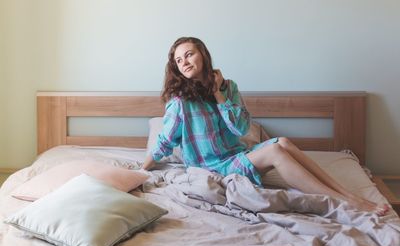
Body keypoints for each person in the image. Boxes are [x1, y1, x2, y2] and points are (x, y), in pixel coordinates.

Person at [142, 36, 389, 216]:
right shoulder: (180, 103)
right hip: (213, 168)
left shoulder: (229, 88)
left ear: (203, 55)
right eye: (178, 60)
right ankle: (342, 200)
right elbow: (164, 141)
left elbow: (240, 129)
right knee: (273, 151)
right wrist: (143, 168)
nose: (183, 61)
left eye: (189, 54)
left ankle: (344, 192)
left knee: (283, 142)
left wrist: (218, 94)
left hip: (236, 156)